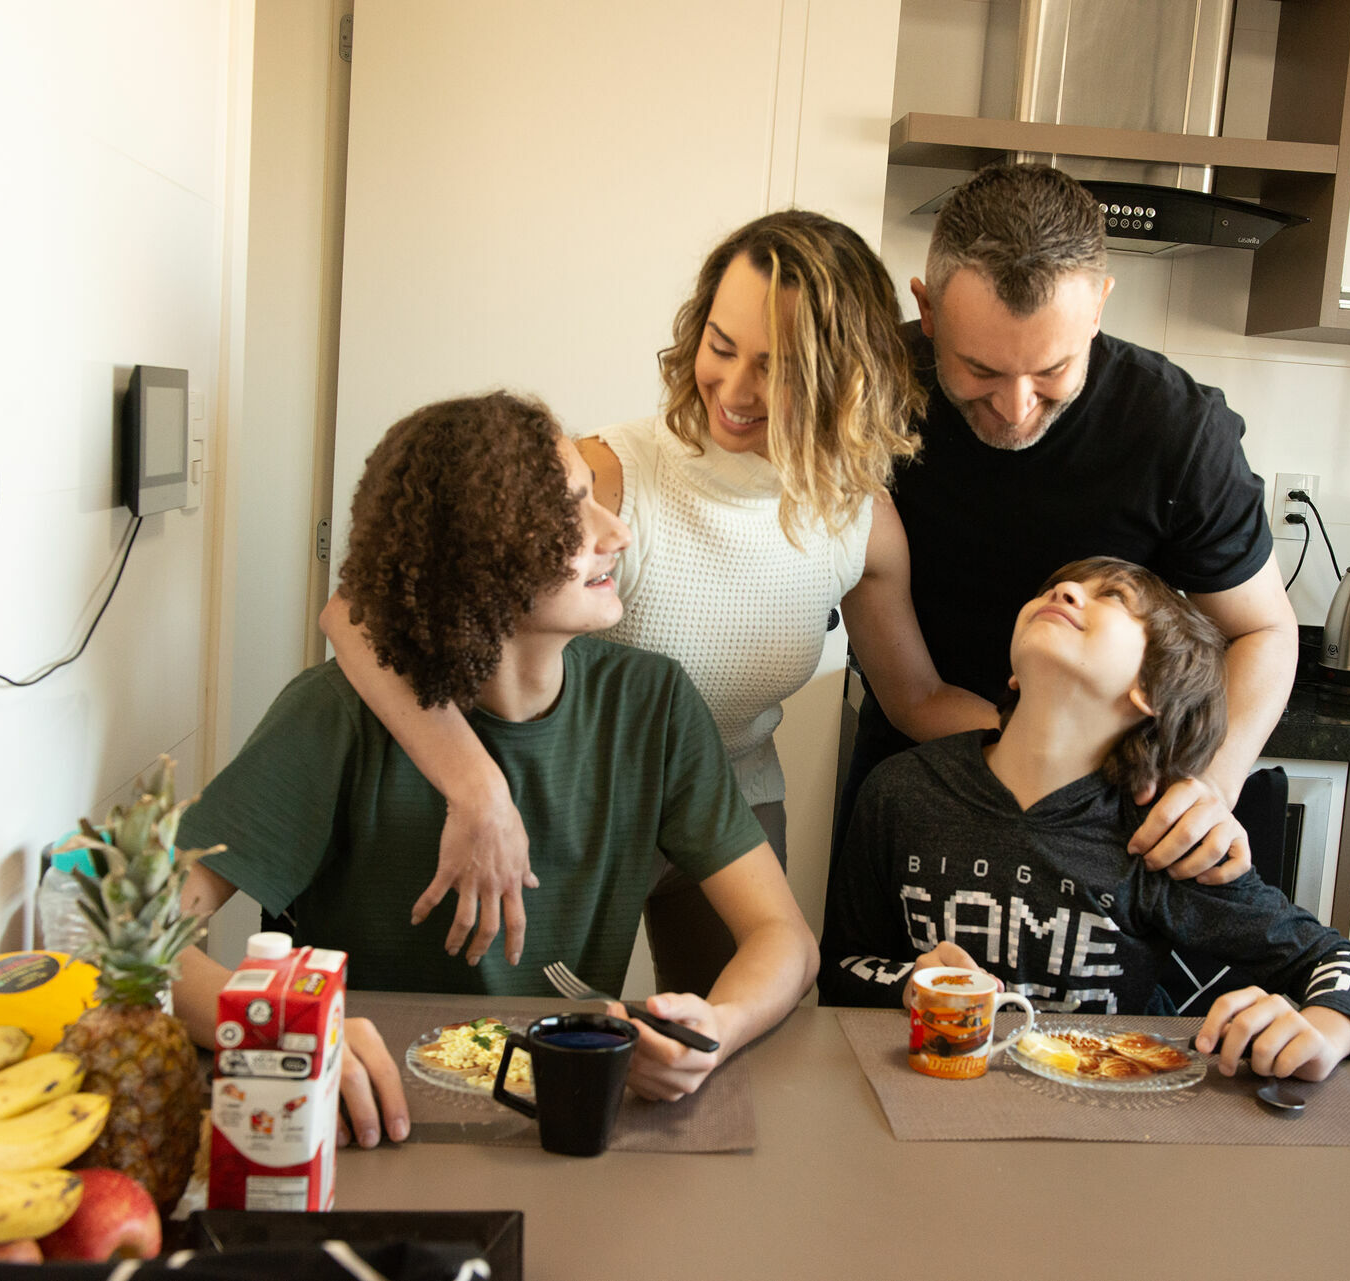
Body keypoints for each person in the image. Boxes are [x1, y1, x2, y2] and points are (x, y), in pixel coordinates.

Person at [320, 211, 1000, 990]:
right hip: (575, 796)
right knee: (525, 1049)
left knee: (738, 1051)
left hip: (729, 803)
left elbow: (916, 697)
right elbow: (358, 613)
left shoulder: (861, 522)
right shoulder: (606, 477)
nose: (735, 391)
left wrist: (1094, 744)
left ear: (844, 376)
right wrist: (475, 785)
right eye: (720, 346)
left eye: (775, 368)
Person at [172, 393, 819, 1149]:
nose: (617, 531)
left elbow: (786, 938)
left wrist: (717, 1024)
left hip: (564, 1127)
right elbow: (135, 942)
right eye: (574, 509)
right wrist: (289, 1027)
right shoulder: (335, 715)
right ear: (483, 551)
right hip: (367, 1131)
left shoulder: (653, 704)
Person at [836, 163, 1299, 884]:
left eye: (1053, 369)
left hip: (1113, 806)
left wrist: (1210, 784)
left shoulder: (1177, 431)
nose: (1017, 406)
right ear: (926, 311)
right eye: (980, 369)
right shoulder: (868, 400)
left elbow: (1264, 630)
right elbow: (912, 694)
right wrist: (1030, 756)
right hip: (918, 769)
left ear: (1098, 308)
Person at [820, 558, 1350, 1081]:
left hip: (1106, 1119)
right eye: (1055, 588)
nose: (1063, 591)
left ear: (1152, 692)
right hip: (928, 1096)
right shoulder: (901, 792)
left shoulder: (1160, 836)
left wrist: (1325, 1033)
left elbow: (1344, 965)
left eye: (1112, 597)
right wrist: (906, 984)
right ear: (1015, 675)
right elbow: (840, 968)